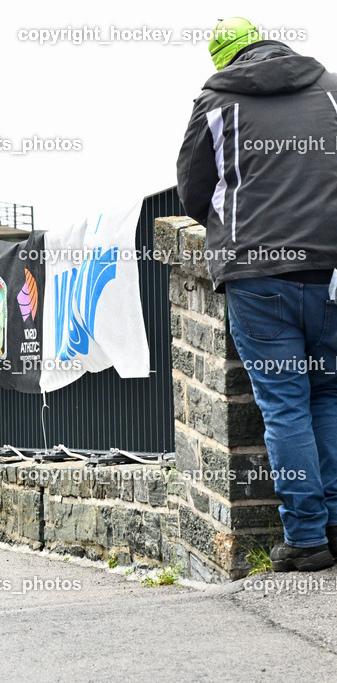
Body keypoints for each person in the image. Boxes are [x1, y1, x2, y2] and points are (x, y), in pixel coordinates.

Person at [176, 17, 337, 573]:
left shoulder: (215, 101)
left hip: (257, 274)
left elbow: (194, 189)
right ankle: (334, 522)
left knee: (285, 403)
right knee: (328, 394)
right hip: (331, 273)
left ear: (224, 59)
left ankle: (307, 539)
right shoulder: (331, 89)